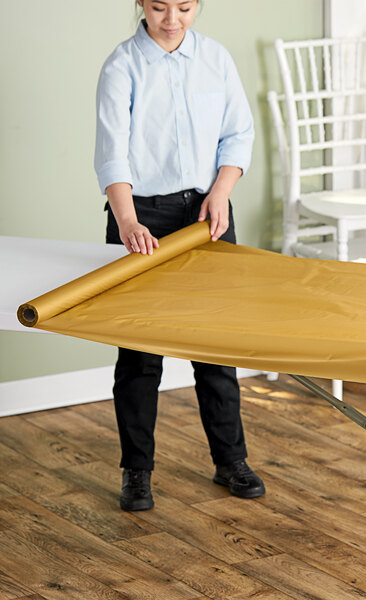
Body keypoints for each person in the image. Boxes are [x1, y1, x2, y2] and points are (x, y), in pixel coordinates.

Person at [94, 0, 265, 511]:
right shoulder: (121, 66)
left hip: (206, 215)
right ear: (141, 5)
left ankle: (229, 460)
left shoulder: (216, 59)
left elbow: (239, 133)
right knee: (140, 356)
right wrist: (127, 221)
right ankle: (137, 471)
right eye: (159, 7)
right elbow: (112, 150)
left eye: (184, 7)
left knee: (214, 347)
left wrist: (221, 192)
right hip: (140, 216)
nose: (172, 19)